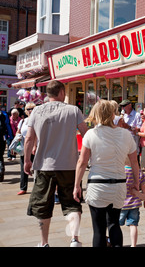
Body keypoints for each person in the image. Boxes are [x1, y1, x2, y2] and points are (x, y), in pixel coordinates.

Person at [24, 80, 88, 247]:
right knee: (72, 203)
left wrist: (26, 161)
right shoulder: (73, 110)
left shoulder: (36, 111)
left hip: (44, 166)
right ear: (61, 92)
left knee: (43, 204)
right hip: (69, 165)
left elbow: (29, 138)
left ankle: (44, 242)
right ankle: (74, 239)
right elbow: (86, 134)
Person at [73, 100, 140, 247]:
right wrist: (136, 181)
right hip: (119, 185)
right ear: (112, 114)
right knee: (114, 224)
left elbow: (82, 162)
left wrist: (77, 185)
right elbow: (134, 162)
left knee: (98, 230)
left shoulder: (91, 134)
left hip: (98, 186)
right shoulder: (125, 134)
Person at [119, 156, 145, 247]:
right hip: (135, 204)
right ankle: (133, 245)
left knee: (116, 225)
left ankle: (116, 243)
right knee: (133, 225)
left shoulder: (121, 172)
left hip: (122, 204)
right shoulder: (139, 172)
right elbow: (144, 189)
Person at [16, 103, 36, 195]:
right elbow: (18, 132)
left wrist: (35, 146)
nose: (30, 110)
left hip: (34, 147)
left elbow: (37, 135)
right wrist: (16, 140)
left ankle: (37, 188)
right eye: (28, 109)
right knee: (23, 168)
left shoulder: (37, 121)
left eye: (32, 108)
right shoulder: (23, 121)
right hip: (24, 147)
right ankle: (23, 187)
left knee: (36, 169)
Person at [0, 109, 13, 182]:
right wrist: (10, 136)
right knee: (0, 156)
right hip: (2, 138)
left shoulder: (4, 114)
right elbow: (7, 125)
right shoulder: (4, 114)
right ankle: (1, 171)